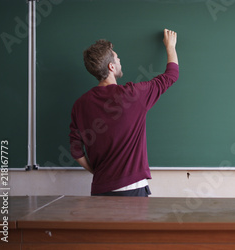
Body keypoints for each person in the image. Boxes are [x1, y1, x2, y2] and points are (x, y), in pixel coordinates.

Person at [69, 29, 179, 197]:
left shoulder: (80, 104)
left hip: (100, 189)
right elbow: (171, 75)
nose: (120, 60)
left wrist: (98, 173)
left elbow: (76, 151)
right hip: (132, 189)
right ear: (111, 66)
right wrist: (170, 46)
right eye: (117, 57)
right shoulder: (133, 95)